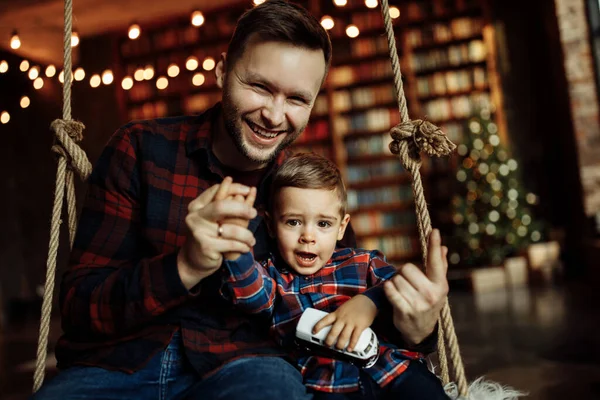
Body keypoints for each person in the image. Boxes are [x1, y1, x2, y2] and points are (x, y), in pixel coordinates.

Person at [33, 1, 447, 398]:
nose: (274, 114)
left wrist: (419, 328)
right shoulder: (140, 149)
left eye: (297, 99)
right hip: (116, 368)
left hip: (243, 369)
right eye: (259, 87)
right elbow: (78, 308)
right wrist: (184, 266)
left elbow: (342, 314)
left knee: (277, 390)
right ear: (222, 71)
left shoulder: (305, 190)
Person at [219, 153, 449, 400]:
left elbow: (400, 287)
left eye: (324, 224)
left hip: (391, 369)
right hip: (328, 385)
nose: (308, 236)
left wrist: (369, 302)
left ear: (341, 226)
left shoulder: (363, 262)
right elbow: (250, 294)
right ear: (271, 225)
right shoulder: (271, 277)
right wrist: (236, 252)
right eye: (293, 222)